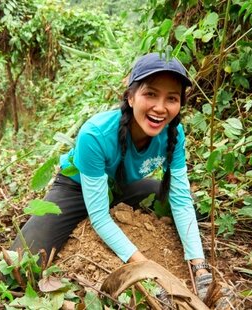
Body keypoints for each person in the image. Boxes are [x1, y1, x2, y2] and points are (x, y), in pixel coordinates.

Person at [11, 52, 212, 300]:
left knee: (180, 201)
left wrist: (199, 266)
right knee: (20, 267)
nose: (160, 108)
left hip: (121, 186)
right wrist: (147, 268)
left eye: (171, 98)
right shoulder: (95, 135)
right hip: (76, 188)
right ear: (130, 97)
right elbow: (100, 217)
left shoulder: (173, 132)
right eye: (150, 94)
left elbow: (181, 200)